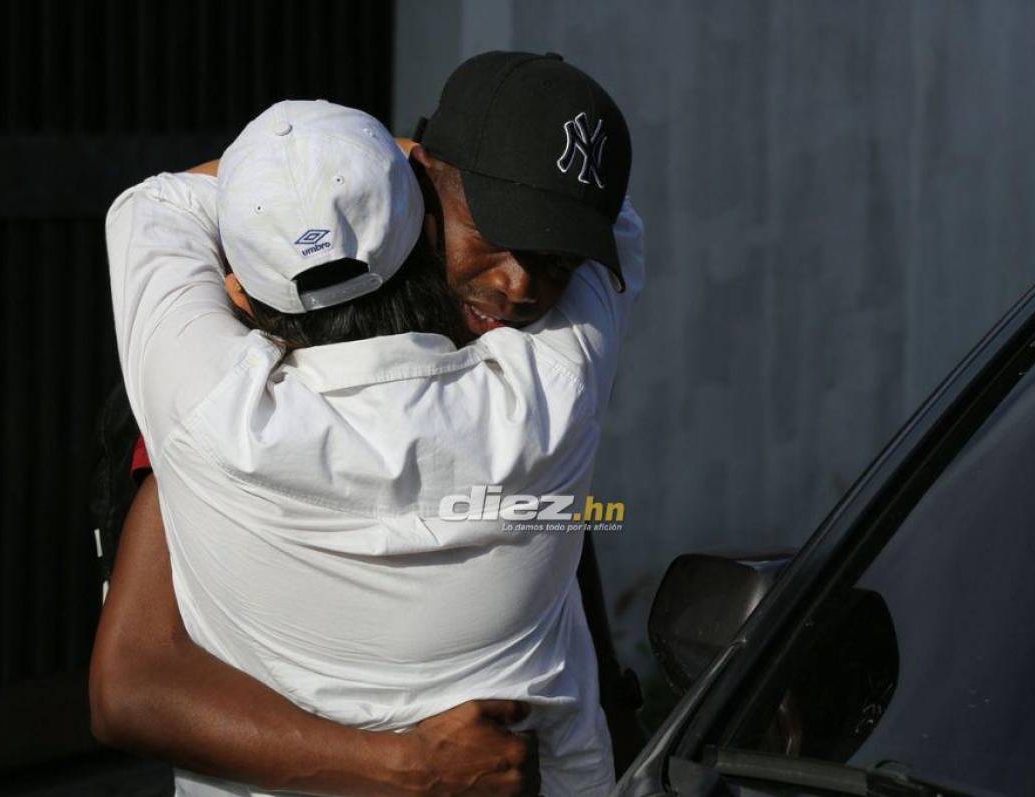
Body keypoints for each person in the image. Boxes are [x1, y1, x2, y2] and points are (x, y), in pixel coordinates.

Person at [93, 52, 645, 796]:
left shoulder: (213, 404)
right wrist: (414, 768)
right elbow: (135, 685)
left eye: (558, 255)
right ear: (416, 196)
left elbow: (155, 209)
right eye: (495, 227)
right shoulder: (553, 386)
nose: (520, 284)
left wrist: (366, 160)